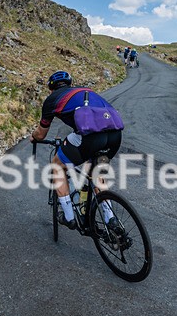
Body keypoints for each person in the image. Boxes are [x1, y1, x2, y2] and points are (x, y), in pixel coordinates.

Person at [30, 71, 123, 230]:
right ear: (70, 84)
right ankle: (111, 219)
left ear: (51, 88)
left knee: (57, 165)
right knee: (96, 173)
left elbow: (41, 133)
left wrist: (34, 137)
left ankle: (69, 217)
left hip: (90, 138)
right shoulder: (85, 91)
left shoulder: (52, 100)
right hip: (115, 135)